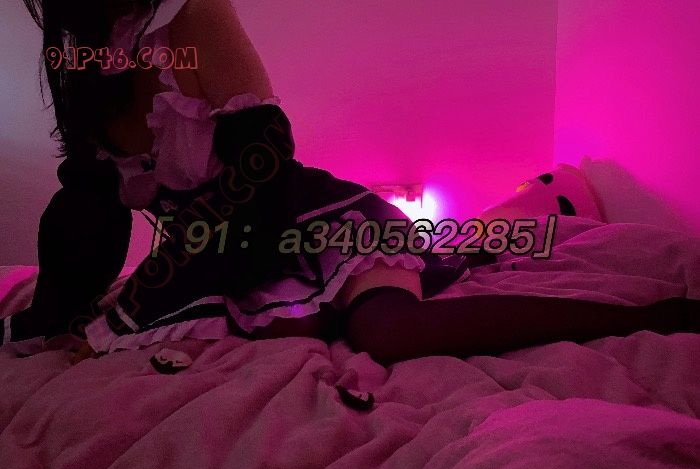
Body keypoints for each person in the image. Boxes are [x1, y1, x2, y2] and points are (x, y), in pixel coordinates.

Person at [2, 0, 697, 366]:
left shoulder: (195, 14)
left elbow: (264, 174)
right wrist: (59, 312)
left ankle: (650, 317)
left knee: (388, 333)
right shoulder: (80, 58)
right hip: (217, 252)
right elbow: (88, 203)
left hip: (310, 223)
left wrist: (156, 289)